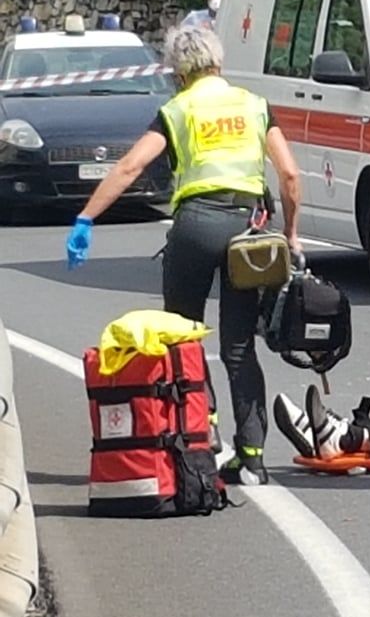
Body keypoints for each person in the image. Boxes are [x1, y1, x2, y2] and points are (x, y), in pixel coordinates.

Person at [65, 26, 304, 486]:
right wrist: (291, 235)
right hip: (247, 231)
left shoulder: (177, 110)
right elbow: (290, 175)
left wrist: (86, 218)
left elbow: (130, 166)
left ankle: (200, 440)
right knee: (239, 346)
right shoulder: (254, 105)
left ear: (178, 73)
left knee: (182, 338)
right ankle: (252, 459)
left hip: (195, 225)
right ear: (219, 62)